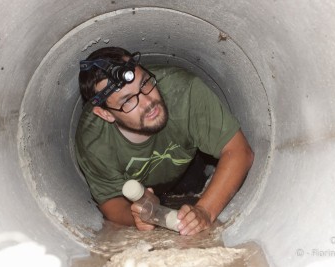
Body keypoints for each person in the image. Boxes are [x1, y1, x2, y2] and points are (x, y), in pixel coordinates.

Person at [75, 47, 254, 236]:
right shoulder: (93, 140)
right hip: (142, 191)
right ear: (105, 114)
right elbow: (110, 202)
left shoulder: (184, 91)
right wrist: (139, 217)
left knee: (193, 187)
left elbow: (239, 151)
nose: (148, 102)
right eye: (127, 101)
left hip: (190, 164)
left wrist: (204, 211)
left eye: (144, 83)